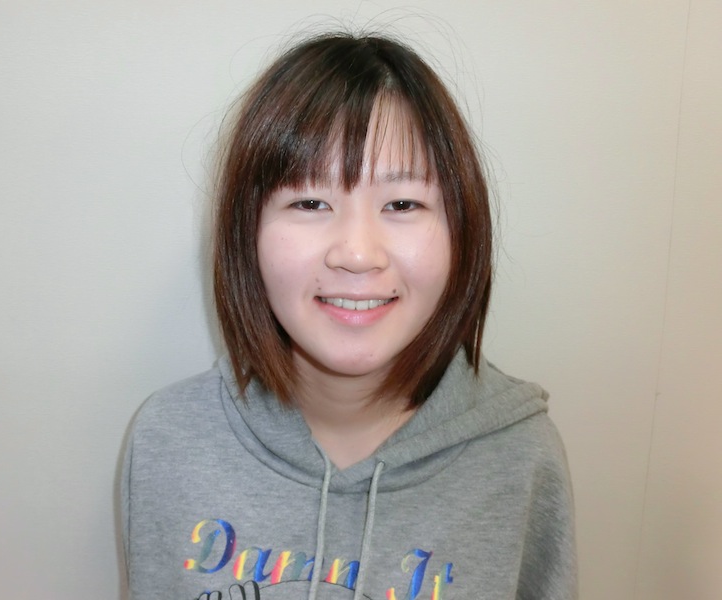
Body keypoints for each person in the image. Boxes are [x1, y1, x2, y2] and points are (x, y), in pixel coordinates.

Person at [120, 32, 577, 600]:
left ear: (462, 231)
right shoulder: (169, 441)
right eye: (310, 202)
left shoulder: (521, 457)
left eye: (403, 204)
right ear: (247, 234)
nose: (357, 254)